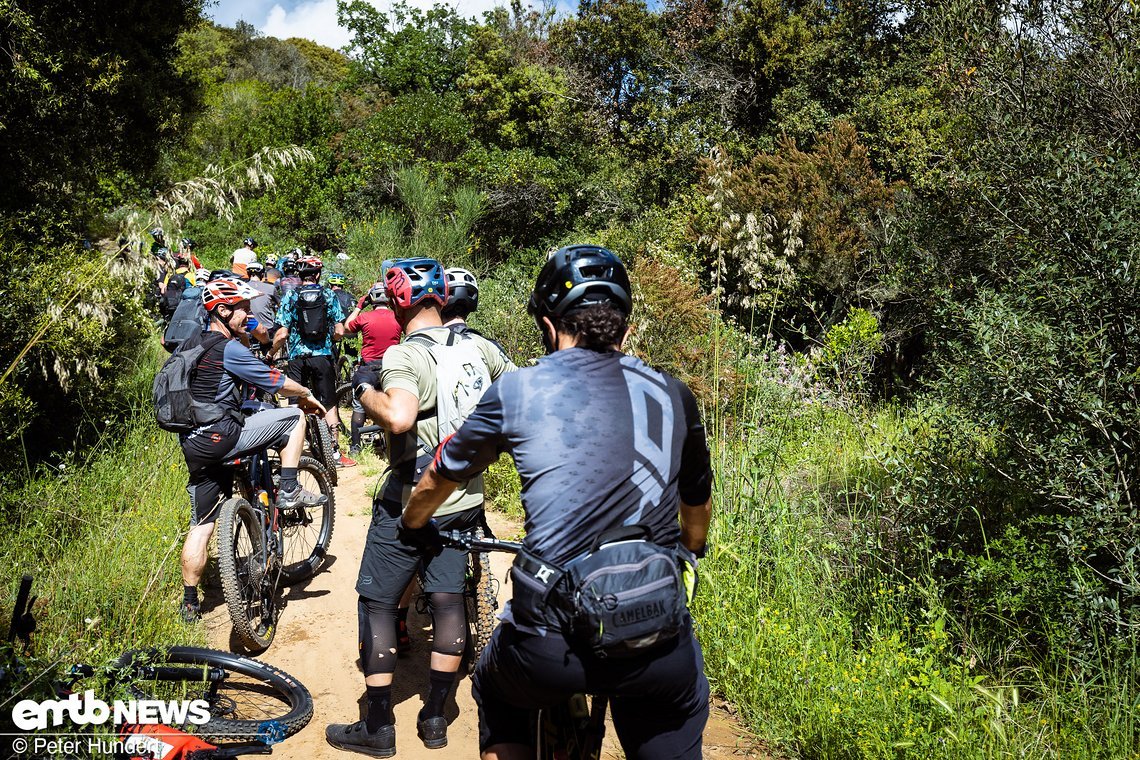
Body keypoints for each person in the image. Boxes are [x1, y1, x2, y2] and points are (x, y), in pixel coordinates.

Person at [396, 245, 714, 760]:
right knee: (670, 711)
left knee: (497, 692)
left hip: (549, 641)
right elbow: (695, 504)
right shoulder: (674, 394)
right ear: (626, 329)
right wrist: (691, 549)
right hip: (656, 632)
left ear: (548, 324)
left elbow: (442, 472)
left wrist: (414, 522)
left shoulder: (519, 390)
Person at [325, 258, 515, 757]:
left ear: (399, 301)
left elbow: (400, 416)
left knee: (379, 601)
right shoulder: (482, 347)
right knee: (450, 600)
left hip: (409, 498)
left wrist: (365, 393)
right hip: (466, 499)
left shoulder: (404, 356)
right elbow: (517, 402)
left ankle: (379, 723)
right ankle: (435, 718)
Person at [175, 279, 329, 623]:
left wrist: (241, 333)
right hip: (223, 436)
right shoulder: (229, 350)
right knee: (291, 418)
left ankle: (189, 605)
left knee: (201, 524)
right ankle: (288, 488)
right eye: (242, 307)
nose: (249, 313)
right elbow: (274, 381)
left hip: (193, 444)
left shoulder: (191, 343)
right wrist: (305, 394)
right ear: (222, 310)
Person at [272, 256, 354, 468]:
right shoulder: (328, 295)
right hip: (322, 356)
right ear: (318, 275)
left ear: (300, 275)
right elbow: (339, 331)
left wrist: (272, 352)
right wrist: (331, 340)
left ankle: (293, 454)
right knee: (329, 403)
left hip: (297, 358)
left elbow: (282, 333)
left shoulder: (290, 295)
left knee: (295, 404)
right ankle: (334, 453)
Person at [342, 282, 401, 456]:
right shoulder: (397, 317)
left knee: (359, 405)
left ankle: (355, 446)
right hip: (391, 366)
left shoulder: (365, 317)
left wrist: (360, 306)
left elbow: (347, 327)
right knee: (391, 403)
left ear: (372, 299)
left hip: (368, 367)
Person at [245, 262, 278, 353]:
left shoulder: (241, 287)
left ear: (248, 274)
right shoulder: (271, 288)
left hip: (248, 329)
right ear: (262, 274)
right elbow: (281, 306)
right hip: (267, 328)